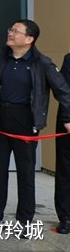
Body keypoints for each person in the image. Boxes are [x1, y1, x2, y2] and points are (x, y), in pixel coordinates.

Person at [0, 19, 70, 232]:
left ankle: (25, 221)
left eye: (16, 31)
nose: (10, 33)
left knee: (25, 173)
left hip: (26, 122)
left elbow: (64, 92)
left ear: (29, 39)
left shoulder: (42, 62)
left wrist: (67, 118)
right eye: (10, 29)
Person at [54, 52, 70, 234]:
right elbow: (64, 91)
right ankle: (66, 217)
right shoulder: (69, 59)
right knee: (66, 170)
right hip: (67, 125)